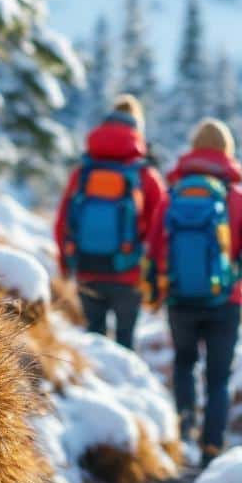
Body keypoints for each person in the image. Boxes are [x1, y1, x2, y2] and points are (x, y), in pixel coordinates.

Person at [150, 118, 242, 466]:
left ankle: (185, 425)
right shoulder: (239, 199)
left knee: (184, 363)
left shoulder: (172, 196)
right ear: (226, 154)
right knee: (218, 376)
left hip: (180, 297)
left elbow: (155, 247)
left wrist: (159, 284)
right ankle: (212, 445)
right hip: (225, 302)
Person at [54, 95, 167, 350]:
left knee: (94, 339)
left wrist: (65, 262)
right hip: (128, 272)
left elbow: (62, 220)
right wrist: (156, 275)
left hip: (86, 267)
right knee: (125, 342)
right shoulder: (145, 175)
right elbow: (160, 230)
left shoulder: (83, 172)